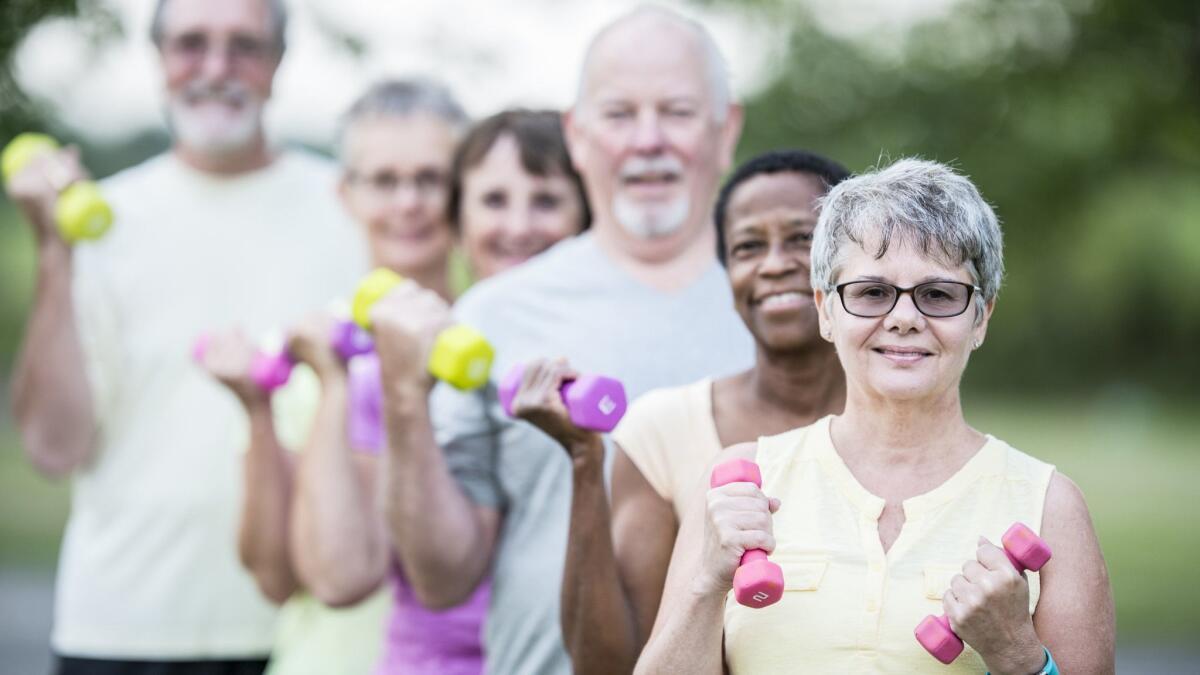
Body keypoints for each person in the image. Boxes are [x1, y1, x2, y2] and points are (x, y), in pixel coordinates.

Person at [362, 6, 754, 674]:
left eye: (679, 111)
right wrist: (403, 399)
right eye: (620, 113)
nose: (648, 139)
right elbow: (442, 577)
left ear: (726, 131)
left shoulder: (801, 310)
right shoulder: (493, 311)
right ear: (577, 135)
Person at [637, 158, 1116, 674]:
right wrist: (707, 583)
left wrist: (1016, 654)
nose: (904, 319)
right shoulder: (741, 482)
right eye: (872, 293)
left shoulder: (1049, 505)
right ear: (825, 310)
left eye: (938, 294)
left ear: (981, 317)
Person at [5, 0, 370, 673]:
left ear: (279, 62)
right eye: (191, 43)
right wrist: (54, 251)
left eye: (244, 46)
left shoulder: (352, 210)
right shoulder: (99, 222)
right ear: (159, 58)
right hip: (122, 629)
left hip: (306, 632)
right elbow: (54, 447)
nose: (216, 67)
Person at [203, 105, 590, 674]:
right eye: (494, 201)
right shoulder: (395, 367)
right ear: (459, 223)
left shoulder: (601, 350)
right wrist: (338, 381)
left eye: (427, 180)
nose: (519, 225)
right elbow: (325, 576)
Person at [510, 149, 851, 674]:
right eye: (747, 246)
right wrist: (583, 459)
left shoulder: (908, 429)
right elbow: (608, 663)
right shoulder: (663, 430)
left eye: (802, 239)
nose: (774, 263)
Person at [200, 78, 470, 675]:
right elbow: (274, 578)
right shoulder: (299, 359)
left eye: (431, 179)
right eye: (383, 180)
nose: (408, 203)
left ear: (463, 190)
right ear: (345, 193)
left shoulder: (501, 350)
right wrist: (261, 411)